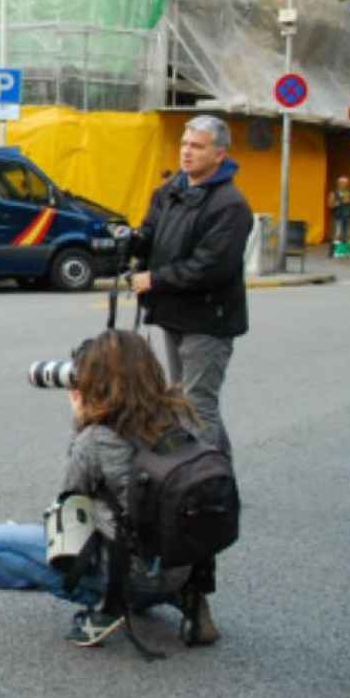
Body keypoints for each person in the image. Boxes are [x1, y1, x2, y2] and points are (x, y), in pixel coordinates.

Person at [0, 330, 221, 649]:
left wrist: (80, 421)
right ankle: (185, 596)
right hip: (181, 564)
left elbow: (69, 501)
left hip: (129, 574)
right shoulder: (182, 417)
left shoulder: (96, 439)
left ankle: (108, 604)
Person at [128, 115, 252, 459]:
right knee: (187, 401)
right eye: (184, 144)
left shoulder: (231, 205)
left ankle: (204, 489)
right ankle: (216, 473)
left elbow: (211, 268)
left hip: (209, 320)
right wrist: (131, 245)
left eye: (197, 146)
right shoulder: (171, 190)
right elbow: (150, 232)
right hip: (174, 312)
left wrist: (154, 279)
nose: (187, 152)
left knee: (197, 406)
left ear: (219, 154)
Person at [328, 176, 350, 252]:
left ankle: (345, 251)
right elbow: (330, 204)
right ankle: (335, 251)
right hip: (338, 216)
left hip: (348, 216)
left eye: (346, 183)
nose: (344, 185)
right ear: (338, 184)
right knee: (337, 234)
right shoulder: (334, 193)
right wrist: (338, 203)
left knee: (348, 234)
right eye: (342, 183)